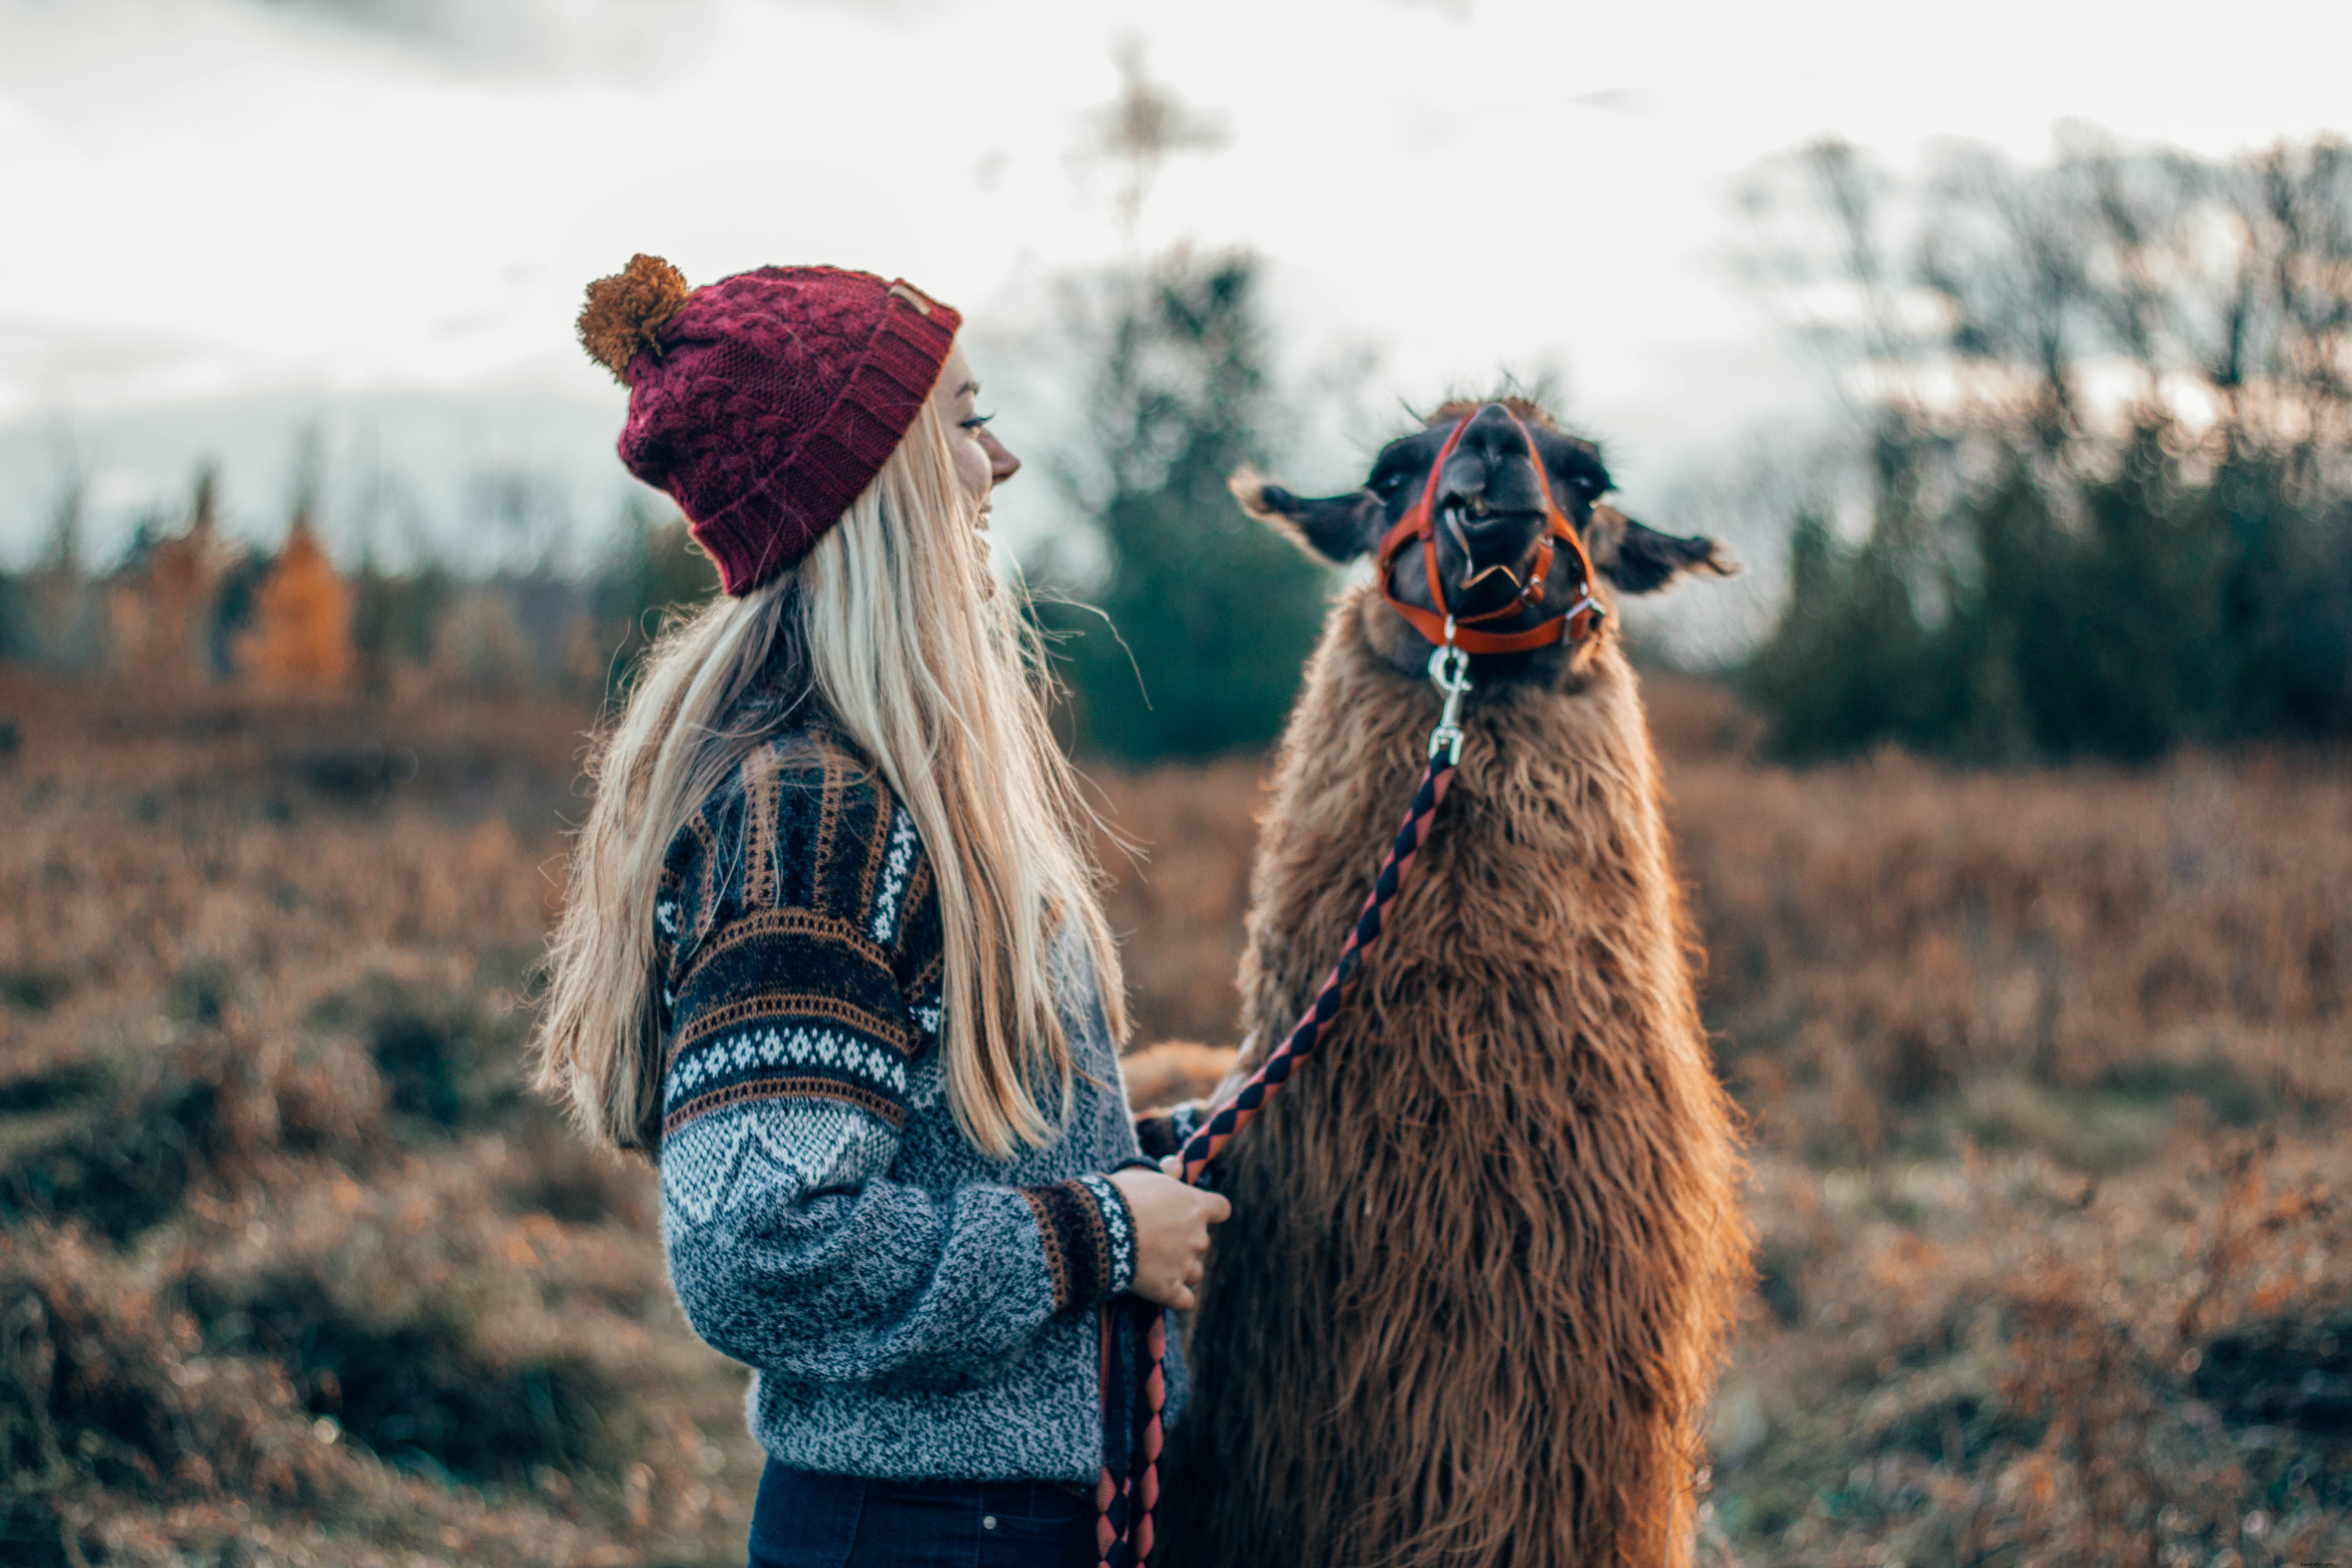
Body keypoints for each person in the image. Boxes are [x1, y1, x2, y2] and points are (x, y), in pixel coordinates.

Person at [533, 256, 1230, 1568]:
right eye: (965, 423)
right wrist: (1105, 1233)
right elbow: (764, 1251)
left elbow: (928, 1147)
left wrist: (1160, 1150)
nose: (1003, 461)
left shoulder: (870, 793)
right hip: (934, 1537)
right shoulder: (812, 821)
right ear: (872, 487)